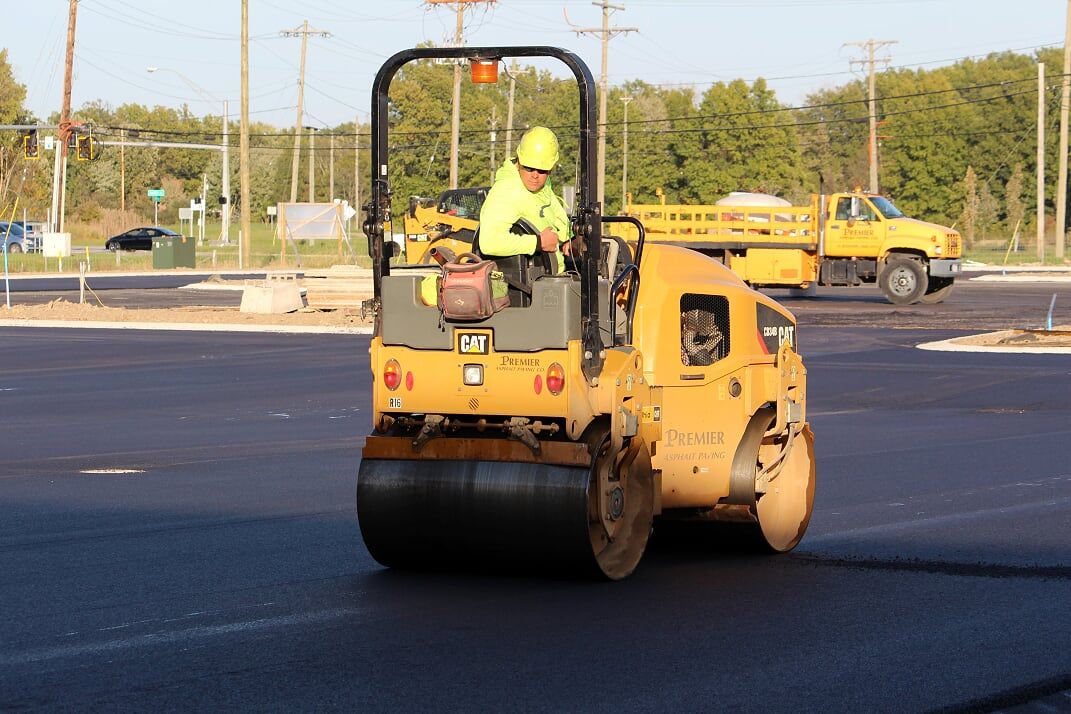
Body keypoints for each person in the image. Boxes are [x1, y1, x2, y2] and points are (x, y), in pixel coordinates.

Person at [478, 126, 572, 272]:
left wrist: (569, 237)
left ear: (550, 169)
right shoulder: (507, 191)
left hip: (554, 275)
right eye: (529, 168)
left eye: (542, 170)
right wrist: (538, 242)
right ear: (519, 160)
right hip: (531, 284)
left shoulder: (543, 185)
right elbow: (489, 242)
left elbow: (554, 211)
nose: (535, 175)